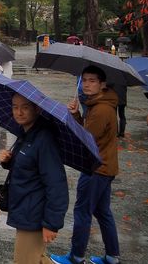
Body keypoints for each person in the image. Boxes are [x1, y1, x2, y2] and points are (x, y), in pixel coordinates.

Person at [51, 65, 120, 264]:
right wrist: (76, 114)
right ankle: (112, 257)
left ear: (102, 84)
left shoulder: (101, 109)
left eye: (92, 81)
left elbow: (85, 139)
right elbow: (89, 132)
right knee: (102, 211)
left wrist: (67, 124)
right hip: (105, 166)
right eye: (84, 80)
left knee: (82, 211)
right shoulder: (98, 104)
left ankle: (76, 256)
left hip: (96, 168)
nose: (86, 85)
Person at [0, 94, 68, 264]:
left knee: (25, 260)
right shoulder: (25, 134)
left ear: (36, 109)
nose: (19, 112)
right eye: (15, 107)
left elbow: (56, 183)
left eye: (25, 107)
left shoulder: (44, 139)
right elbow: (28, 166)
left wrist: (52, 223)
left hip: (34, 214)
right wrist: (8, 160)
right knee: (37, 259)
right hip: (24, 208)